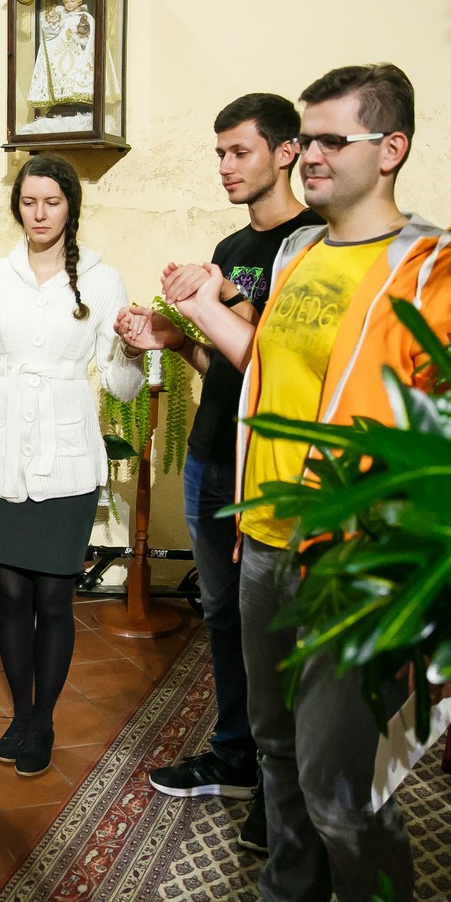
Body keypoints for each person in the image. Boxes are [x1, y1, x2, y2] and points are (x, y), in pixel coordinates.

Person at [163, 65, 451, 902]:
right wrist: (203, 306)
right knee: (277, 752)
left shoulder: (441, 272)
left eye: (328, 140)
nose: (307, 155)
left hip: (353, 561)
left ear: (390, 149)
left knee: (340, 782)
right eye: (304, 139)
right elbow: (269, 370)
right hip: (265, 538)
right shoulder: (300, 254)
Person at [118, 93, 322, 852]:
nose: (226, 167)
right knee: (224, 613)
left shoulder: (312, 244)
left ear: (286, 151)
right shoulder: (232, 243)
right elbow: (228, 366)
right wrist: (175, 338)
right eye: (220, 154)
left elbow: (279, 360)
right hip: (212, 450)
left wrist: (215, 298)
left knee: (273, 624)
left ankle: (280, 782)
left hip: (267, 460)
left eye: (240, 151)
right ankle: (236, 754)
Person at [0, 153, 144, 777]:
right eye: (29, 202)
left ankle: (43, 719)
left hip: (66, 452)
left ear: (71, 206)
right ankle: (20, 714)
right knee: (12, 595)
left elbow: (122, 385)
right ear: (17, 207)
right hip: (1, 452)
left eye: (52, 202)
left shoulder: (101, 280)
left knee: (53, 597)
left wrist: (133, 347)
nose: (40, 214)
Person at [28, 0, 97, 120]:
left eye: (72, 1)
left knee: (74, 77)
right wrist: (53, 18)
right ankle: (61, 102)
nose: (69, 4)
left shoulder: (85, 17)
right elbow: (49, 32)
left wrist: (78, 33)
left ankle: (76, 101)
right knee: (60, 77)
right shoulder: (60, 16)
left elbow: (88, 40)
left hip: (77, 56)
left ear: (79, 1)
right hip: (59, 56)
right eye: (66, 2)